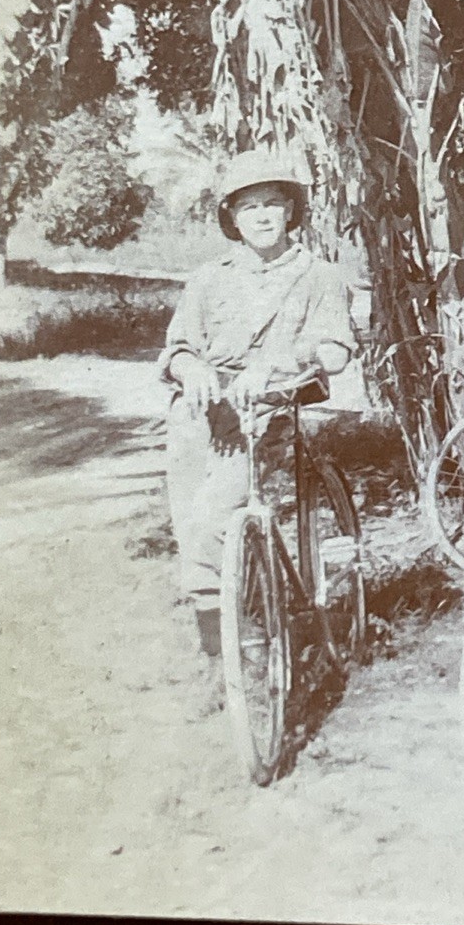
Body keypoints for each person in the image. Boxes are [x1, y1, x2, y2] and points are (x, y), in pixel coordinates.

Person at [159, 149, 356, 657]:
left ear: (292, 210)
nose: (263, 216)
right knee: (189, 515)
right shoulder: (210, 278)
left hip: (270, 408)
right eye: (249, 207)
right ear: (232, 217)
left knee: (216, 512)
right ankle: (217, 633)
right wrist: (193, 368)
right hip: (201, 410)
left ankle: (242, 635)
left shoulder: (319, 276)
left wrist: (278, 365)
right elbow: (177, 349)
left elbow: (335, 351)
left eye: (273, 203)